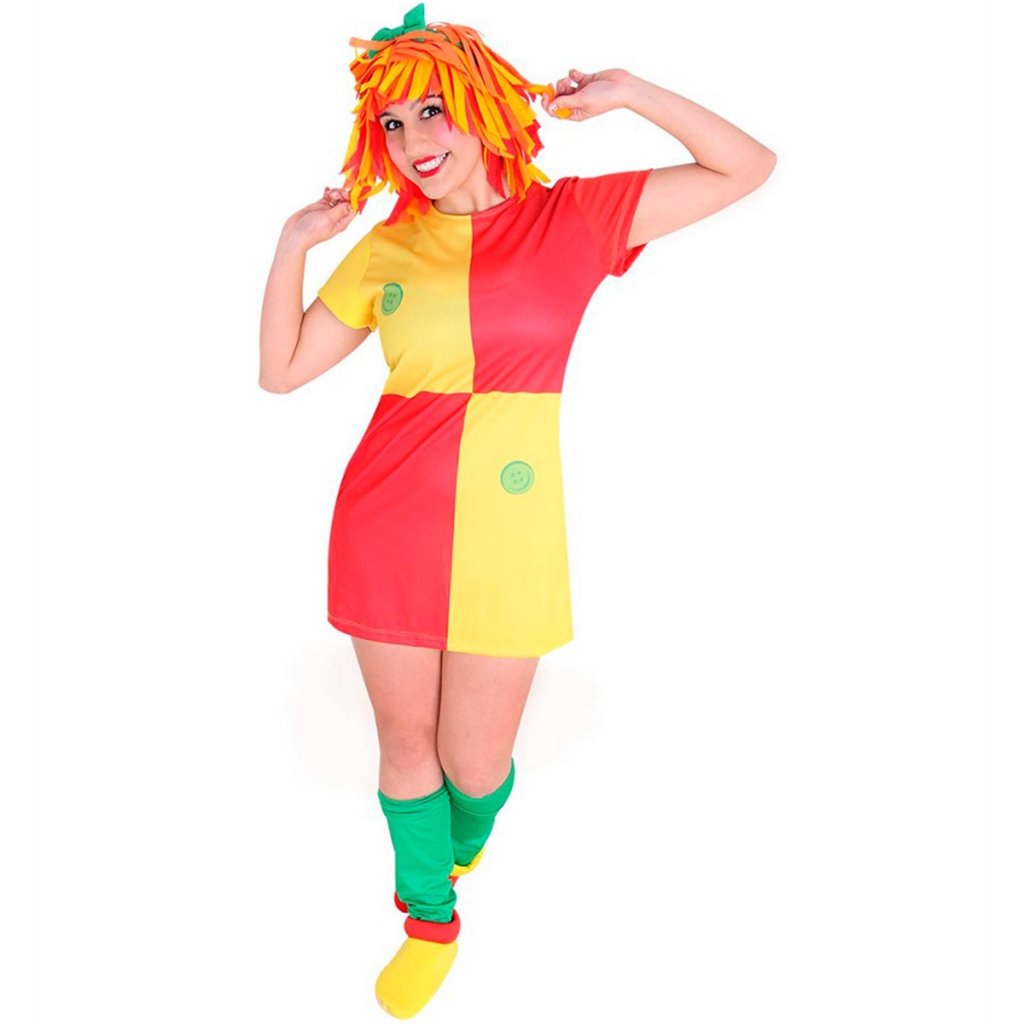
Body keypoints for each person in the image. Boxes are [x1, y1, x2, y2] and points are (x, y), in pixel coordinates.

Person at [259, 4, 775, 1017]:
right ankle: (427, 915)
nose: (413, 141)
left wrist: (631, 94)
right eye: (393, 124)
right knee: (405, 744)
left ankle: (451, 843)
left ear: (484, 107)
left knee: (473, 763)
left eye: (433, 112)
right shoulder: (387, 249)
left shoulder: (573, 218)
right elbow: (281, 370)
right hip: (385, 519)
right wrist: (293, 244)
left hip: (511, 533)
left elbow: (746, 167)